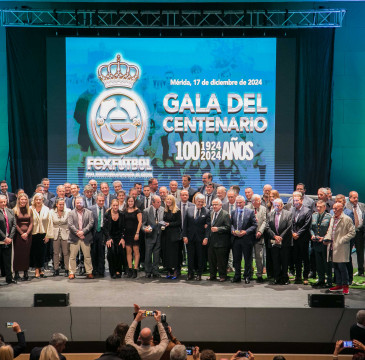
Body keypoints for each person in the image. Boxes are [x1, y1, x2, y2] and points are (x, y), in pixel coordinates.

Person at [325, 202, 356, 295]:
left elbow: (352, 232)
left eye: (336, 209)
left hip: (341, 246)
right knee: (336, 267)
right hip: (333, 246)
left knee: (342, 267)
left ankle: (345, 286)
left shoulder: (347, 219)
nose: (334, 210)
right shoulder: (332, 218)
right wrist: (327, 238)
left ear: (341, 209)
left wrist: (342, 240)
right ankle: (339, 284)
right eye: (333, 209)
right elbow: (330, 230)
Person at [182, 194, 211, 281]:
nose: (200, 203)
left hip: (201, 239)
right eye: (199, 201)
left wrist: (206, 238)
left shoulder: (206, 211)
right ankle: (190, 274)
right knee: (190, 257)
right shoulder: (188, 210)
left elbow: (208, 226)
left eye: (202, 202)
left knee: (200, 257)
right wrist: (184, 236)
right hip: (190, 238)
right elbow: (185, 224)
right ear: (195, 201)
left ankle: (199, 274)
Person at [231, 195, 257, 284]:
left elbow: (254, 225)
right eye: (237, 203)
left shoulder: (250, 212)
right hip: (236, 239)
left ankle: (247, 276)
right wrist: (233, 230)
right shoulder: (233, 212)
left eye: (240, 202)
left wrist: (245, 232)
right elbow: (231, 224)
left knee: (247, 259)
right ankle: (237, 276)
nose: (238, 204)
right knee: (236, 259)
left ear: (244, 203)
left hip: (247, 239)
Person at [266, 199, 292, 285]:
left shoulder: (288, 214)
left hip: (284, 242)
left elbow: (289, 227)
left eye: (278, 205)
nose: (276, 207)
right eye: (275, 206)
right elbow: (267, 227)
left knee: (284, 261)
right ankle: (276, 278)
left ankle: (285, 278)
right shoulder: (270, 214)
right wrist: (274, 236)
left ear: (282, 205)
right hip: (274, 242)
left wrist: (281, 237)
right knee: (275, 261)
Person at [68, 196, 95, 279]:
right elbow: (70, 224)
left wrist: (83, 232)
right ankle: (72, 272)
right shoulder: (71, 213)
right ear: (75, 203)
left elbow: (91, 223)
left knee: (87, 256)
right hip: (74, 237)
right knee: (72, 256)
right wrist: (78, 232)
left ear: (83, 203)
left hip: (85, 237)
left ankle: (89, 272)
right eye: (77, 203)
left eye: (80, 202)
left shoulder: (89, 212)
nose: (79, 204)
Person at [30, 193, 53, 279]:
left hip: (43, 234)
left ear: (42, 200)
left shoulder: (46, 209)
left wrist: (48, 235)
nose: (38, 201)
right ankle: (37, 270)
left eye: (40, 199)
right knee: (35, 253)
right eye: (37, 199)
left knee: (42, 253)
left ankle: (41, 269)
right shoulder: (30, 209)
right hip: (33, 234)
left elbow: (49, 223)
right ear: (34, 200)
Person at [291, 191, 312, 285]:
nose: (296, 202)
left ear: (301, 200)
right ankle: (298, 276)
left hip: (303, 238)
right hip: (294, 238)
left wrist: (298, 234)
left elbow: (307, 225)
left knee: (305, 258)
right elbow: (289, 223)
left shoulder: (307, 210)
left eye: (297, 200)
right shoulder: (292, 210)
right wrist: (292, 233)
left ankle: (305, 276)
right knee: (296, 258)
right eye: (294, 200)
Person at [310, 200, 332, 288]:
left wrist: (324, 238)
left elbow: (330, 230)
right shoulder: (314, 215)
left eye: (320, 207)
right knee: (318, 263)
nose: (318, 208)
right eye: (317, 207)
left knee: (326, 263)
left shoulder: (329, 217)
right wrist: (312, 235)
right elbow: (311, 228)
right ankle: (321, 280)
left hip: (325, 243)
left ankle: (329, 281)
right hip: (316, 242)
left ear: (325, 207)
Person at [208, 198, 231, 282]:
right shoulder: (211, 213)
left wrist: (218, 229)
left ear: (220, 205)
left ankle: (222, 276)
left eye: (216, 204)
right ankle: (212, 275)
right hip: (212, 241)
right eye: (213, 204)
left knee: (221, 261)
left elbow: (228, 227)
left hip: (221, 242)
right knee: (212, 260)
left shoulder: (225, 214)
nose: (214, 206)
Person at [246, 194, 267, 283]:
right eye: (258, 201)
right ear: (253, 201)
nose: (260, 202)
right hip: (249, 236)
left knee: (259, 257)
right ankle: (249, 274)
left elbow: (265, 221)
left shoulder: (263, 208)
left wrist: (260, 231)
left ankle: (259, 275)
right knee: (248, 256)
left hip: (259, 236)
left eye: (260, 201)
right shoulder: (246, 208)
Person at [142, 195, 164, 278]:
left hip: (159, 235)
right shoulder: (146, 211)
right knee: (148, 254)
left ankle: (155, 271)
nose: (159, 203)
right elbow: (143, 225)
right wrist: (145, 229)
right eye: (158, 202)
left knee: (156, 254)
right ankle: (148, 271)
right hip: (150, 236)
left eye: (160, 202)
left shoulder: (162, 210)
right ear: (153, 203)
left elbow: (163, 221)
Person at [13, 193, 33, 281]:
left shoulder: (30, 210)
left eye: (25, 199)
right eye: (22, 199)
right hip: (18, 235)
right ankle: (16, 273)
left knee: (26, 254)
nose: (24, 201)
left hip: (28, 235)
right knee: (17, 255)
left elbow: (31, 223)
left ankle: (25, 272)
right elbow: (15, 224)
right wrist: (22, 233)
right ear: (19, 200)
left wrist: (27, 233)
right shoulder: (14, 210)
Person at [161, 195, 182, 279]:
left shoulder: (177, 211)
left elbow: (179, 222)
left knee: (174, 254)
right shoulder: (165, 210)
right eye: (167, 199)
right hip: (166, 234)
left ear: (173, 201)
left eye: (170, 199)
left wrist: (169, 224)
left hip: (174, 235)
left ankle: (176, 270)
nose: (168, 201)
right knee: (167, 253)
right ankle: (169, 270)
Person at [346, 191, 365, 277]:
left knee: (360, 252)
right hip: (350, 233)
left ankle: (361, 271)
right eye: (354, 198)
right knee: (348, 251)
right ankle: (349, 270)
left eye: (357, 197)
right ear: (349, 198)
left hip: (360, 232)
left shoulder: (362, 206)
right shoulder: (346, 206)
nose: (356, 199)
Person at [50, 198, 70, 277]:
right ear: (56, 204)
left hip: (65, 233)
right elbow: (50, 223)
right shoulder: (51, 212)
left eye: (63, 204)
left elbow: (70, 223)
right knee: (56, 253)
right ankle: (56, 269)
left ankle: (67, 269)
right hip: (55, 234)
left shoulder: (68, 211)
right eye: (60, 204)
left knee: (66, 253)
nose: (61, 206)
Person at [123, 196, 142, 278]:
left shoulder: (138, 211)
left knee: (136, 251)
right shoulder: (124, 211)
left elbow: (140, 222)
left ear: (134, 202)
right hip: (127, 234)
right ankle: (130, 269)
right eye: (129, 201)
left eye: (132, 201)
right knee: (128, 252)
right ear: (127, 202)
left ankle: (135, 269)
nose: (130, 203)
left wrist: (137, 233)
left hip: (135, 233)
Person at [89, 194, 107, 277]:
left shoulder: (106, 209)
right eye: (99, 200)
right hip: (93, 233)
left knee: (101, 253)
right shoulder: (90, 209)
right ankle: (94, 270)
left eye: (102, 200)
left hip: (102, 233)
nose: (101, 202)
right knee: (93, 252)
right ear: (96, 201)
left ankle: (101, 271)